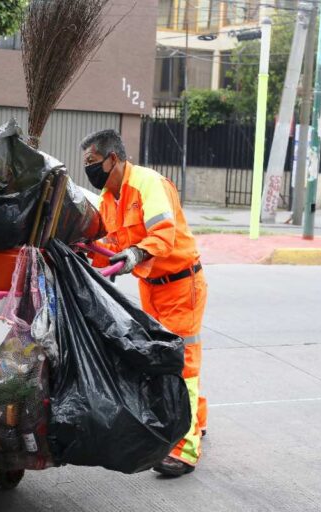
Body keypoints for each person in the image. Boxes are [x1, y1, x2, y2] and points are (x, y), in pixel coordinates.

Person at [80, 129, 207, 478]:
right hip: (152, 286)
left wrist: (134, 254)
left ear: (113, 159)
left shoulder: (148, 185)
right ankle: (197, 419)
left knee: (184, 364)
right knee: (164, 356)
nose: (89, 170)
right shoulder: (109, 196)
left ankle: (185, 449)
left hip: (181, 285)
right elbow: (106, 237)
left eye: (92, 162)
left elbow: (163, 235)